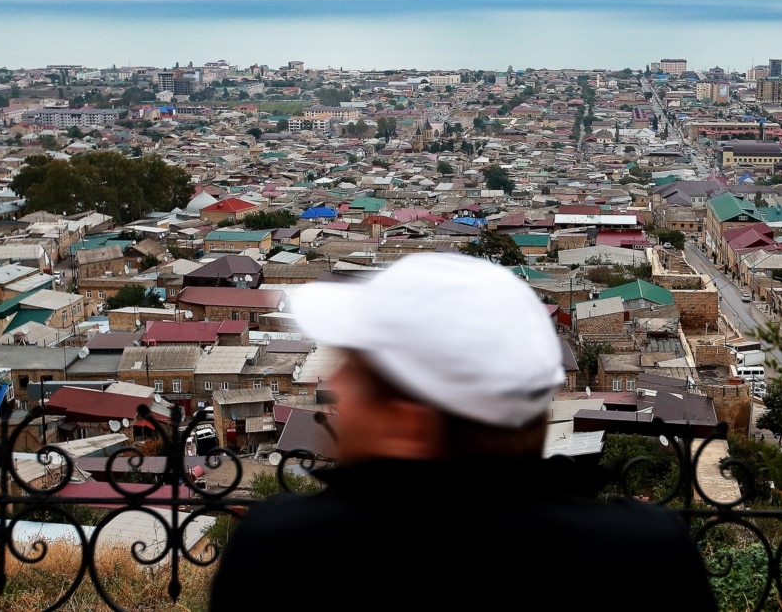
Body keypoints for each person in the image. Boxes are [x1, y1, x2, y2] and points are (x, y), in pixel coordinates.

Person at [210, 254, 716, 608]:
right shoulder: (643, 560)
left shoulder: (289, 557)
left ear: (411, 421)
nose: (335, 384)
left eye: (357, 372)